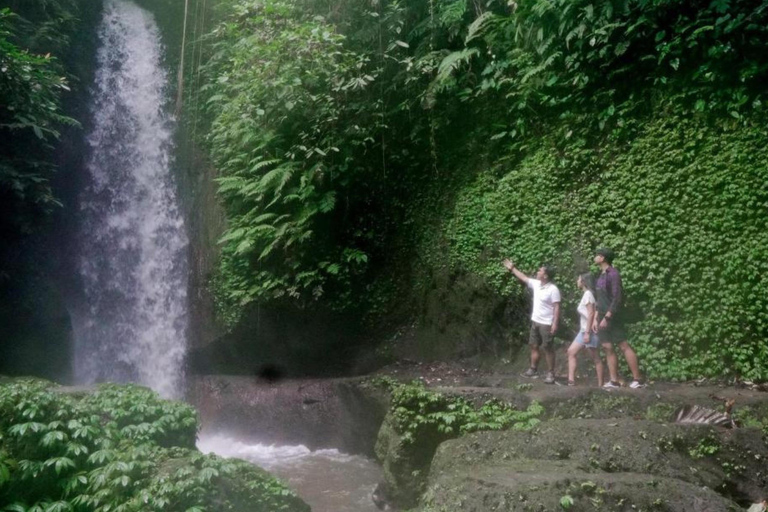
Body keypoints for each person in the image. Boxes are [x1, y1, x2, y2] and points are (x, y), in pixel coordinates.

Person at [503, 259, 561, 384]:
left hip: (547, 323)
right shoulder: (537, 284)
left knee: (547, 347)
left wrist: (555, 323)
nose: (537, 272)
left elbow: (556, 307)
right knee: (533, 345)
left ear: (545, 275)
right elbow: (524, 278)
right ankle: (533, 369)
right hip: (535, 321)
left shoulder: (553, 289)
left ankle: (551, 373)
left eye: (540, 271)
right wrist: (512, 268)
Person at [593, 247, 644, 389]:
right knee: (607, 346)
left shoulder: (613, 274)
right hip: (601, 315)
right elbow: (599, 299)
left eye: (597, 255)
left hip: (613, 316)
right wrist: (596, 317)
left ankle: (638, 380)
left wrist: (607, 317)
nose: (595, 257)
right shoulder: (600, 275)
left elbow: (617, 298)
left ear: (603, 258)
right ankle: (614, 381)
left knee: (623, 345)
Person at [566, 273, 604, 387]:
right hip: (583, 330)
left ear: (583, 282)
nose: (577, 281)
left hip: (589, 331)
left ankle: (600, 385)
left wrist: (587, 332)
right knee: (571, 352)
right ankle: (571, 381)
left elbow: (591, 313)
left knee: (596, 358)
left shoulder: (588, 294)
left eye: (578, 279)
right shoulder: (587, 294)